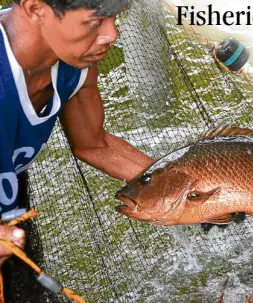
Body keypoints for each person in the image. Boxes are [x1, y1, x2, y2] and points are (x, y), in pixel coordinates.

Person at [0, 0, 154, 301]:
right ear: (35, 8)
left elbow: (95, 145)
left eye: (115, 18)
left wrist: (191, 187)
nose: (112, 34)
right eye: (95, 22)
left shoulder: (77, 59)